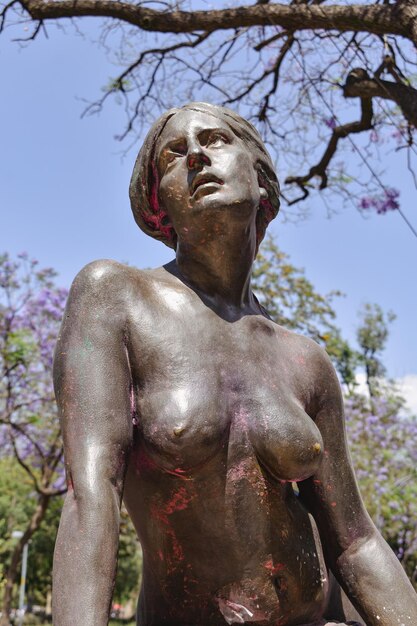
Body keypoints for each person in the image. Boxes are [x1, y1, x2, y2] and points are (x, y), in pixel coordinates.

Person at [52, 102, 417, 626]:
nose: (196, 154)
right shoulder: (116, 297)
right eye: (174, 154)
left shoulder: (304, 359)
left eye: (216, 140)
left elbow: (356, 541)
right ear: (160, 203)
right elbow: (92, 495)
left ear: (261, 181)